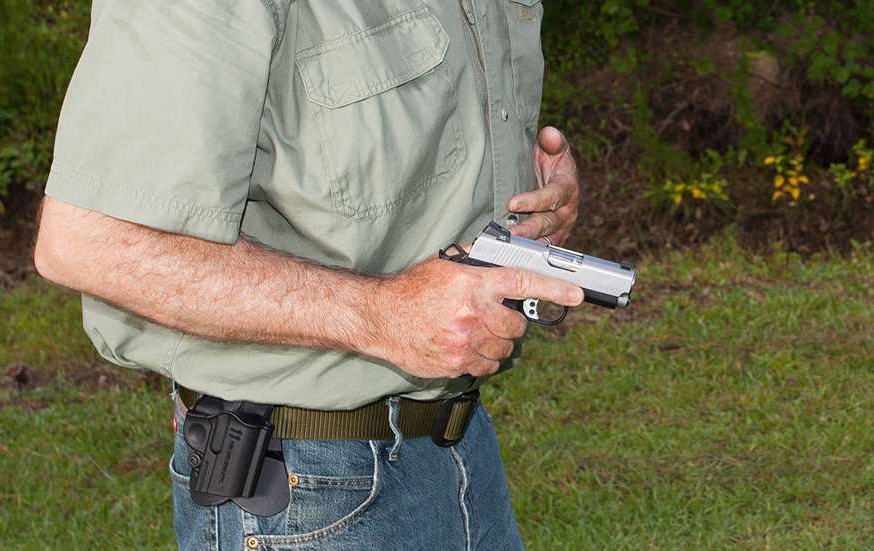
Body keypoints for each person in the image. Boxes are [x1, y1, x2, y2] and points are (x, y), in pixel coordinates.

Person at [34, 1, 582, 549]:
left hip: (456, 446)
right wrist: (382, 315)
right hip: (301, 489)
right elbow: (90, 242)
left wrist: (521, 187)